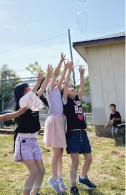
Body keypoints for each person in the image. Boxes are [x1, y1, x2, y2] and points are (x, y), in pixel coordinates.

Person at [14, 65, 52, 195]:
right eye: (28, 87)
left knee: (41, 171)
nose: (31, 88)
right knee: (34, 172)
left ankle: (34, 193)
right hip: (23, 141)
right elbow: (34, 91)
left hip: (34, 141)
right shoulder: (22, 102)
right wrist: (37, 81)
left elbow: (42, 88)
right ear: (24, 91)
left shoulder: (33, 100)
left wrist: (47, 76)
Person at [62, 64, 96, 195]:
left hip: (83, 133)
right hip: (72, 135)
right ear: (66, 92)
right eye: (71, 88)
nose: (73, 89)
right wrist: (69, 71)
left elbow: (82, 87)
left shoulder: (77, 99)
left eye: (73, 88)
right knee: (75, 162)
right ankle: (73, 186)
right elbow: (65, 86)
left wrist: (81, 75)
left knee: (89, 159)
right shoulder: (66, 101)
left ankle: (83, 177)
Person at [43, 53, 73, 194]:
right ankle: (53, 178)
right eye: (50, 79)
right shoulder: (49, 90)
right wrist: (61, 62)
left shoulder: (57, 90)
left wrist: (67, 69)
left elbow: (60, 79)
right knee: (56, 152)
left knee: (60, 152)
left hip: (60, 121)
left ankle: (60, 177)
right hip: (54, 121)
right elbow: (56, 75)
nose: (54, 80)